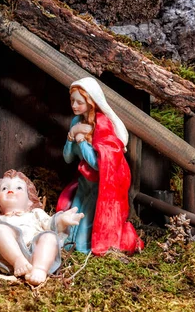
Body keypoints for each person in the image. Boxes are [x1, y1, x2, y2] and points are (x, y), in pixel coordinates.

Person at [56, 77, 143, 255]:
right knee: (71, 222)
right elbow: (67, 158)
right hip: (83, 180)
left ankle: (87, 248)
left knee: (82, 240)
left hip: (101, 185)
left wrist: (80, 141)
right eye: (72, 100)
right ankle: (70, 247)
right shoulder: (76, 123)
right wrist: (71, 136)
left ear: (91, 102)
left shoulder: (102, 124)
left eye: (79, 102)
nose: (74, 105)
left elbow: (97, 164)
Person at [0, 169, 84, 285]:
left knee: (49, 236)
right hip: (9, 257)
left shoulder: (35, 214)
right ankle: (18, 261)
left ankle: (39, 269)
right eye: (4, 188)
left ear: (29, 200)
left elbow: (51, 224)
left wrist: (62, 220)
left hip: (38, 252)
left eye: (19, 188)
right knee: (0, 230)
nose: (11, 191)